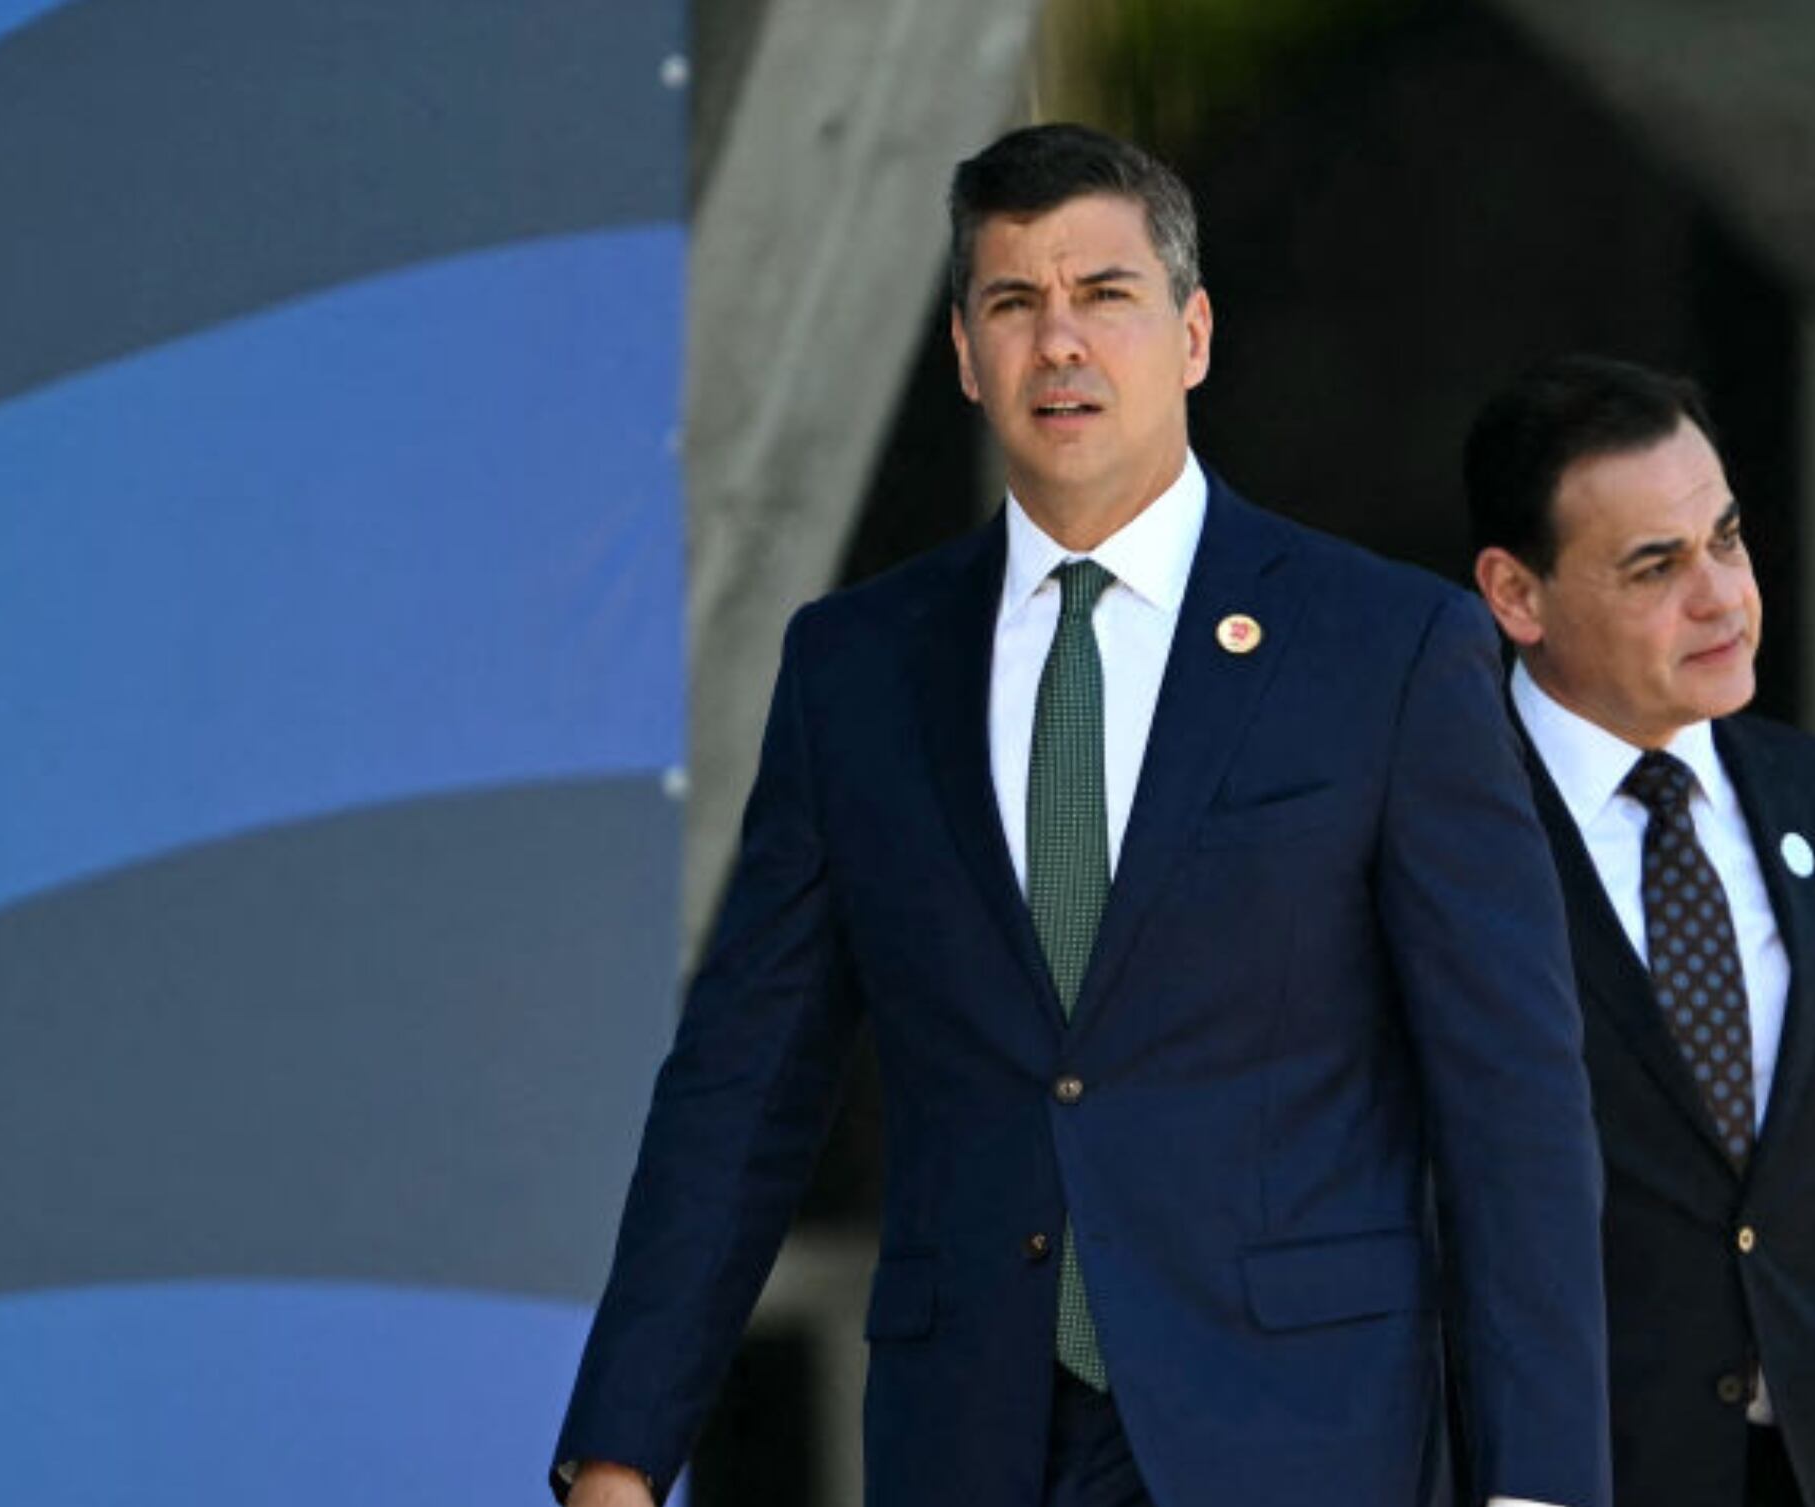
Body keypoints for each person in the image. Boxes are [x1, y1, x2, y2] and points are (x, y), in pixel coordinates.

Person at [552, 123, 1609, 1507]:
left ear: (1193, 333)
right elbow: (744, 1081)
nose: (1060, 341)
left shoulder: (1388, 649)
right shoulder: (854, 667)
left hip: (1298, 1434)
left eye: (1105, 295)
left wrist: (1540, 1483)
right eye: (1014, 302)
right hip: (970, 1431)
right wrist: (623, 1445)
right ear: (964, 353)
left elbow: (1510, 1097)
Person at [1466, 354, 1815, 1507]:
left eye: (1723, 538)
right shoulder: (1427, 836)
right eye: (1654, 566)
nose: (1719, 596)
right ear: (1516, 596)